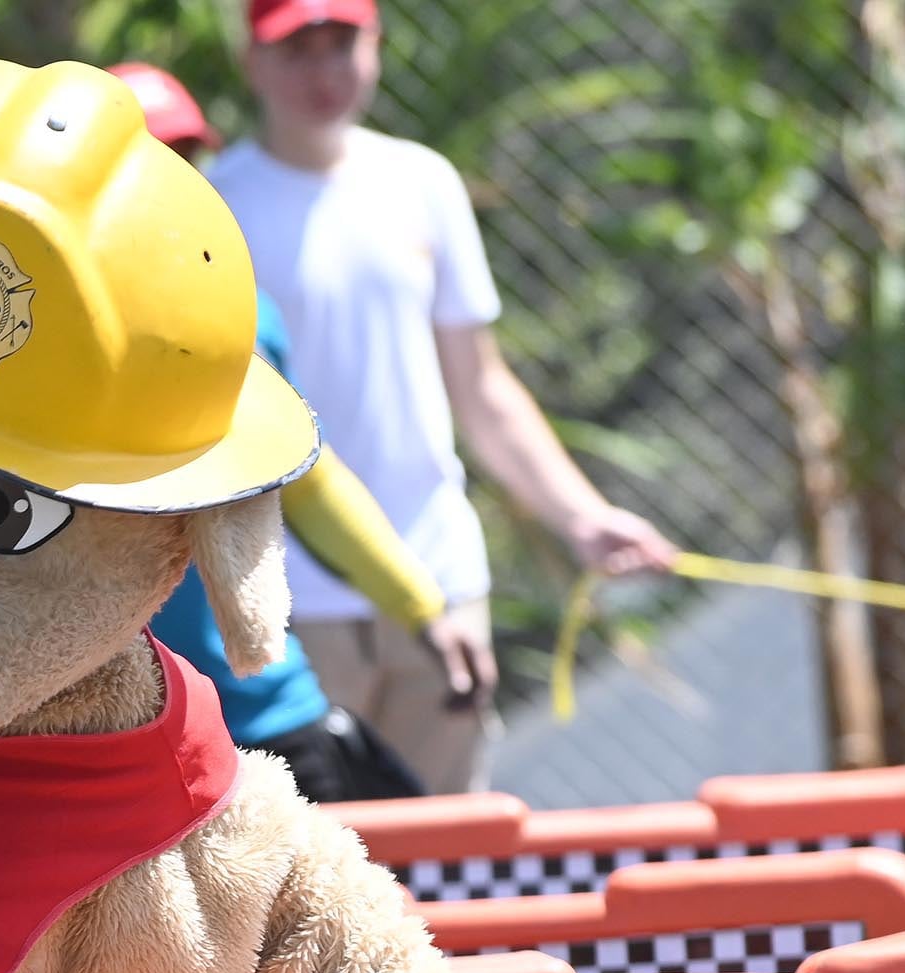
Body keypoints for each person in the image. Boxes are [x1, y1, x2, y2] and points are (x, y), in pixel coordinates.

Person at [204, 0, 676, 791]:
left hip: (439, 578)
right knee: (313, 865)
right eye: (296, 50)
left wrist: (581, 516)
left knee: (447, 854)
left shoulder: (422, 182)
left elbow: (481, 387)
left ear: (377, 47)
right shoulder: (213, 204)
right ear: (252, 60)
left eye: (341, 44)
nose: (322, 72)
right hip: (285, 601)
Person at [114, 59, 471, 802]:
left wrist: (419, 609)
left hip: (258, 713)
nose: (165, 182)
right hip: (111, 722)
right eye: (139, 162)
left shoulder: (238, 313)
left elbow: (307, 479)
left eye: (182, 160)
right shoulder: (30, 331)